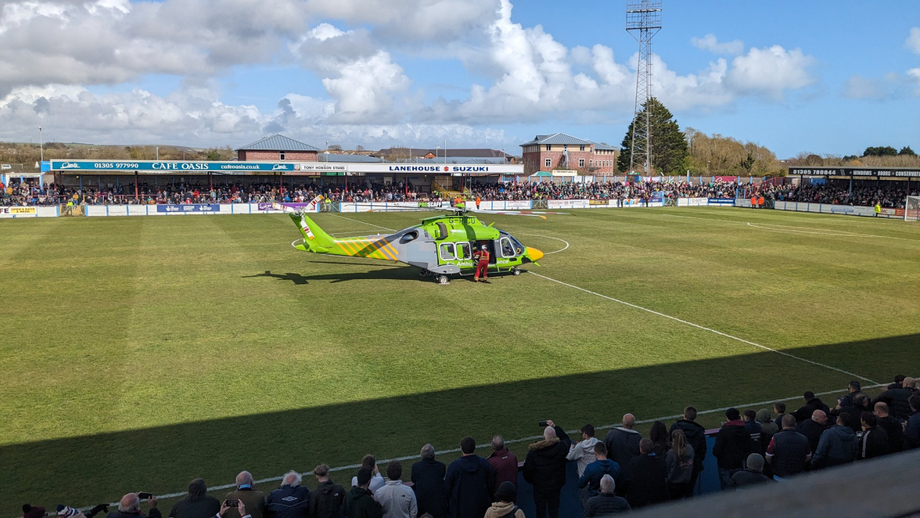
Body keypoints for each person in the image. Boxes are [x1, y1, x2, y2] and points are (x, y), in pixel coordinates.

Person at [523, 420, 572, 518]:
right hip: (555, 486)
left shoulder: (533, 453)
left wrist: (535, 482)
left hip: (540, 488)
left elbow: (526, 473)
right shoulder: (561, 448)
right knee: (554, 511)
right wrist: (555, 427)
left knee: (540, 511)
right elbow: (566, 439)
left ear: (544, 437)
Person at [444, 436, 494, 518]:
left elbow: (447, 488)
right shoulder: (484, 464)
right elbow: (491, 484)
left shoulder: (454, 466)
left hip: (460, 509)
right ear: (474, 448)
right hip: (481, 507)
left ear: (461, 448)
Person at [669, 406, 707, 496]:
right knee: (689, 492)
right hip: (692, 466)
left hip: (676, 465)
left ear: (684, 415)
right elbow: (703, 450)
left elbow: (668, 442)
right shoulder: (699, 430)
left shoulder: (675, 427)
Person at [712, 408, 751, 490]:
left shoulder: (724, 431)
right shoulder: (744, 430)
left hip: (725, 465)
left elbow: (716, 450)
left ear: (728, 418)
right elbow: (748, 447)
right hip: (739, 463)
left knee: (727, 488)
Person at [625, 439, 668, 509]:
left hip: (642, 499)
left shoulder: (635, 462)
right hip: (657, 498)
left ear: (641, 449)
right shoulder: (661, 462)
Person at [765, 415, 811, 479]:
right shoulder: (803, 438)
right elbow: (808, 457)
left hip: (780, 474)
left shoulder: (776, 438)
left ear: (782, 424)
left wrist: (775, 465)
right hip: (797, 474)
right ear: (795, 424)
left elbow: (768, 456)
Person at [603, 413, 641, 490]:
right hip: (632, 474)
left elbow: (603, 451)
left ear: (622, 422)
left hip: (616, 473)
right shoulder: (638, 437)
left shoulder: (612, 434)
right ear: (633, 424)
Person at [577, 442, 621, 508]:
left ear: (595, 454)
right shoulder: (616, 466)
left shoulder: (591, 467)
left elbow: (581, 484)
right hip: (613, 498)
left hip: (594, 499)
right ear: (606, 452)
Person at [411, 444, 448, 518]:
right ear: (433, 455)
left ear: (422, 455)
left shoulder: (416, 467)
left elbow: (413, 480)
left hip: (422, 506)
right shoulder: (441, 466)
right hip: (438, 506)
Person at [665, 430, 694, 499]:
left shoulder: (671, 453)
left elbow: (666, 467)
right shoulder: (690, 449)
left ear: (673, 440)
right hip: (687, 482)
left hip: (673, 484)